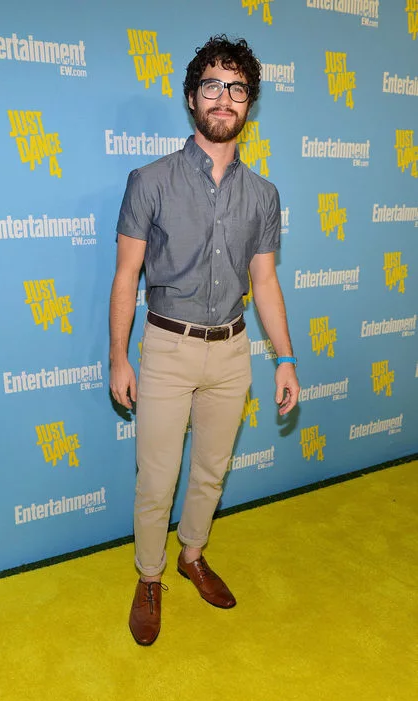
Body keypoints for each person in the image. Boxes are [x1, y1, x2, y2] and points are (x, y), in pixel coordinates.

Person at [109, 35, 300, 646]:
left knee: (211, 471)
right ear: (193, 98)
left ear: (249, 104)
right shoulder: (150, 180)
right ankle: (149, 576)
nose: (224, 98)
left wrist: (285, 358)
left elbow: (264, 283)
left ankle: (192, 554)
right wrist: (118, 357)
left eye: (237, 88)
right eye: (213, 85)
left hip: (233, 350)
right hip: (167, 349)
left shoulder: (264, 195)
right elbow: (126, 276)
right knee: (156, 477)